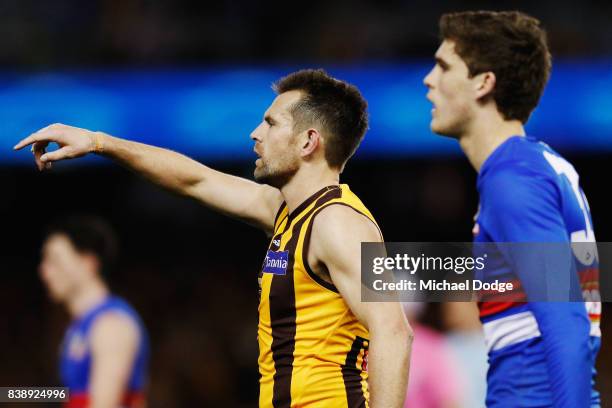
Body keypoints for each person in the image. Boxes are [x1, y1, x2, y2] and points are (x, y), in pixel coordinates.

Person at [17, 69, 412, 407]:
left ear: (309, 141)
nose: (256, 133)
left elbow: (393, 330)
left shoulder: (338, 223)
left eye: (272, 123)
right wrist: (101, 143)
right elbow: (195, 179)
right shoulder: (285, 212)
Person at [424, 11, 600, 407]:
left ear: (484, 83)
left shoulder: (514, 179)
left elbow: (567, 321)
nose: (429, 80)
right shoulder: (537, 165)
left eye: (443, 66)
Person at [39, 215, 149, 408]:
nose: (44, 271)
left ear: (88, 263)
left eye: (54, 260)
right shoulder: (80, 326)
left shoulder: (111, 325)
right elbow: (68, 394)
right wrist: (8, 394)